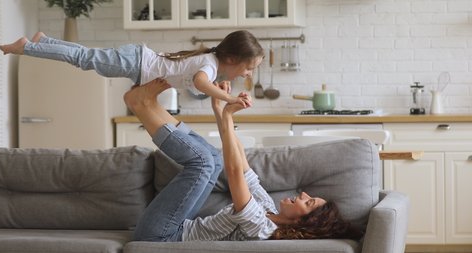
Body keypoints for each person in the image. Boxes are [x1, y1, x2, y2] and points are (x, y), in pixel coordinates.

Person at [123, 78, 363, 242]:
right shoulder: (267, 209)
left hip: (161, 236)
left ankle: (139, 106)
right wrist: (219, 108)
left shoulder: (262, 228)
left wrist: (228, 116)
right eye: (310, 197)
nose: (303, 195)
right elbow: (242, 165)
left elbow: (235, 173)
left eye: (308, 203)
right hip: (174, 226)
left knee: (203, 163)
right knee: (214, 160)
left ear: (303, 222)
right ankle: (148, 105)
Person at [0, 30, 264, 107]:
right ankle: (28, 47)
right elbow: (200, 83)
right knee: (83, 57)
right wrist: (228, 97)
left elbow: (199, 84)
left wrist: (220, 91)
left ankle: (43, 42)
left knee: (85, 56)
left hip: (135, 60)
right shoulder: (208, 65)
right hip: (135, 62)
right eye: (249, 67)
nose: (248, 74)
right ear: (232, 59)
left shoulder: (210, 62)